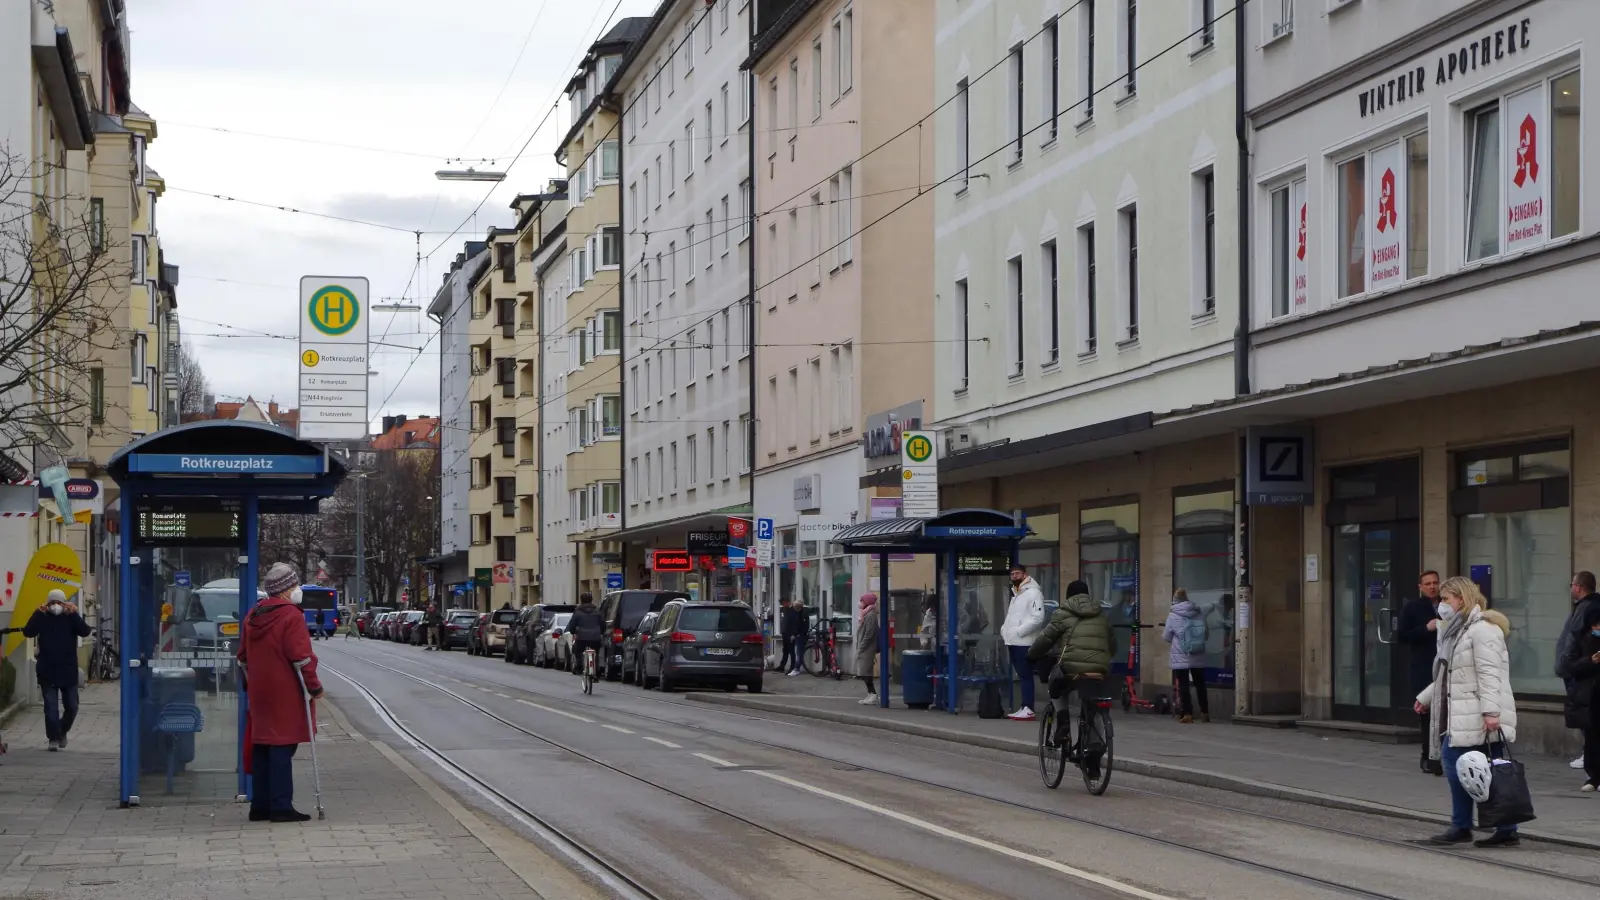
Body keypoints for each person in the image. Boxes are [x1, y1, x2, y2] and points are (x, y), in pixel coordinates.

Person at [1415, 576, 1520, 848]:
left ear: (1461, 599)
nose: (1441, 604)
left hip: (1478, 714)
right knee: (1478, 770)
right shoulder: (1458, 629)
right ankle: (1496, 827)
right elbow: (1451, 673)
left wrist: (1491, 713)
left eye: (1446, 599)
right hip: (1462, 712)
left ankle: (1469, 826)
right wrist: (1426, 697)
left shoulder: (1483, 629)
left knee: (1469, 767)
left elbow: (1489, 674)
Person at [237, 563, 322, 823]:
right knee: (282, 747)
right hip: (285, 691)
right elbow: (301, 657)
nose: (297, 590)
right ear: (285, 590)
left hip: (260, 690)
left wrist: (250, 683)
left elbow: (242, 657)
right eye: (294, 585)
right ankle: (281, 806)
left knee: (262, 744)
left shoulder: (253, 615)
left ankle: (260, 805)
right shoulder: (291, 616)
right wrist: (314, 687)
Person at [1027, 580, 1113, 760]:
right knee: (1093, 701)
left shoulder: (1063, 613)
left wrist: (1032, 654)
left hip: (1073, 669)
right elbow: (1112, 645)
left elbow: (1046, 639)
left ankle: (1063, 725)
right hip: (1099, 669)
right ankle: (1095, 744)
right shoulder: (1101, 614)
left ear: (1068, 596)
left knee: (1056, 685)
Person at [18, 590, 92, 751]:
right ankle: (53, 738)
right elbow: (28, 632)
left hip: (68, 669)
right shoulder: (43, 617)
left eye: (59, 603)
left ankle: (61, 731)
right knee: (50, 708)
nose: (55, 606)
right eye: (52, 603)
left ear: (64, 604)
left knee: (72, 706)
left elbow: (85, 631)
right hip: (47, 670)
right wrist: (38, 613)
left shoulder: (70, 618)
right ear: (48, 604)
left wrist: (74, 614)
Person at [1397, 570, 1444, 775]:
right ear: (1420, 587)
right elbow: (1402, 636)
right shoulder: (1413, 607)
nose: (1432, 586)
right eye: (1428, 584)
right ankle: (1427, 756)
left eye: (1435, 582)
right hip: (1423, 668)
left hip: (1445, 666)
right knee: (1427, 715)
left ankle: (1443, 756)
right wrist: (1426, 629)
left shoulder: (1447, 605)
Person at [1556, 602, 1600, 791]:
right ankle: (1593, 777)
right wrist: (1590, 661)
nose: (1598, 629)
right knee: (1592, 737)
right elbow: (1569, 667)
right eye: (1596, 625)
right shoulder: (1581, 641)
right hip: (1589, 696)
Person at [1559, 572, 1597, 769]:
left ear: (1579, 587)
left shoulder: (1586, 608)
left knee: (1587, 714)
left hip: (1582, 670)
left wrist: (1567, 664)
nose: (1571, 588)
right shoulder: (1583, 607)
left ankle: (1590, 756)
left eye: (1572, 584)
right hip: (1581, 667)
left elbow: (1573, 640)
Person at [1000, 564, 1046, 721]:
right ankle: (1024, 707)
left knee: (1025, 675)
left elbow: (1038, 618)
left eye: (1017, 573)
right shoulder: (1017, 593)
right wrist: (1005, 630)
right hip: (1014, 641)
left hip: (1024, 642)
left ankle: (1028, 708)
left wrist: (1018, 632)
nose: (1014, 576)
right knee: (1022, 675)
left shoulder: (1033, 593)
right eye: (1012, 574)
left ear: (1025, 575)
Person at [1162, 589, 1210, 724]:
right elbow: (1205, 634)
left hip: (1181, 654)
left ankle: (1187, 713)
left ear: (1175, 600)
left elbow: (1166, 637)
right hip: (1197, 653)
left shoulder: (1173, 615)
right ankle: (1205, 712)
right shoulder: (1198, 612)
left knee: (1183, 684)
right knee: (1200, 684)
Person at [566, 592, 605, 676]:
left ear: (581, 601)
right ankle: (596, 669)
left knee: (578, 650)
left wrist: (573, 632)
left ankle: (579, 667)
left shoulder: (577, 612)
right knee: (596, 651)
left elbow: (572, 625)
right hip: (595, 637)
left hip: (582, 638)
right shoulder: (597, 611)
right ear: (591, 600)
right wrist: (601, 632)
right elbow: (603, 624)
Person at [853, 593, 881, 705]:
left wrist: (862, 646)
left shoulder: (871, 615)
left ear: (867, 602)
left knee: (865, 671)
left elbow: (869, 633)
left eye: (862, 600)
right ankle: (870, 694)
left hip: (867, 648)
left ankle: (873, 694)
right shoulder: (866, 614)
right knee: (865, 671)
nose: (860, 602)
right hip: (865, 647)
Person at [778, 598, 804, 674]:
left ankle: (791, 666)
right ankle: (784, 666)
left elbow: (795, 625)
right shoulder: (792, 612)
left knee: (791, 651)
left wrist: (794, 634)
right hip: (787, 633)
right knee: (787, 650)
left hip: (789, 633)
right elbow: (792, 624)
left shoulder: (793, 612)